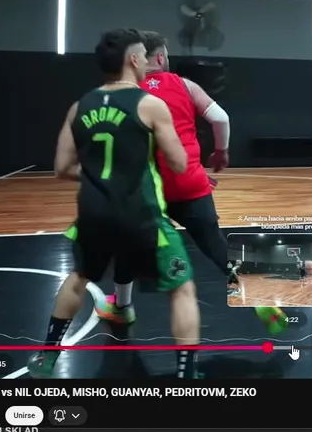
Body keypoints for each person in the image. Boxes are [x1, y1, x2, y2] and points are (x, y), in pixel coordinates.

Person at [28, 29, 202, 379]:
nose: (148, 63)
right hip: (141, 215)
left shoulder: (80, 106)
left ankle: (47, 358)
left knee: (78, 278)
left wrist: (101, 176)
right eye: (143, 56)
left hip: (93, 214)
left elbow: (62, 168)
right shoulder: (149, 104)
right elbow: (179, 162)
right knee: (182, 288)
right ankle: (186, 374)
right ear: (134, 60)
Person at [94, 32, 239, 327]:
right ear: (160, 57)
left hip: (146, 190)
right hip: (189, 182)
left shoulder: (124, 92)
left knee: (127, 247)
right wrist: (221, 152)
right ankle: (253, 291)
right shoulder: (186, 85)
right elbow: (221, 118)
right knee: (214, 243)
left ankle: (122, 307)